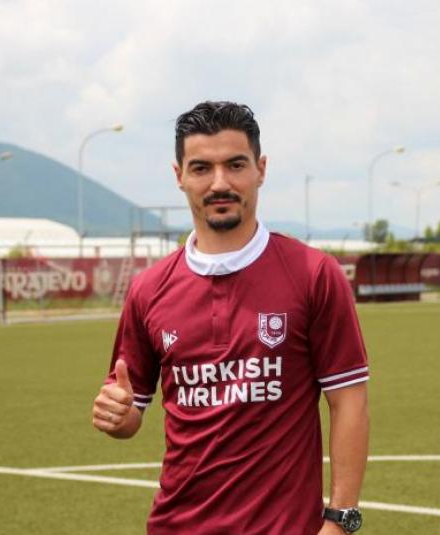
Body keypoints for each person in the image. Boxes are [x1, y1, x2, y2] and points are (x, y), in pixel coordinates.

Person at [92, 101, 370, 535]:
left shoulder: (313, 273)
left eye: (235, 165)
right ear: (180, 176)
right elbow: (131, 415)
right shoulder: (148, 289)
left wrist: (340, 521)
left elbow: (349, 400)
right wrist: (117, 414)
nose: (220, 183)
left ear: (261, 169)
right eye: (201, 168)